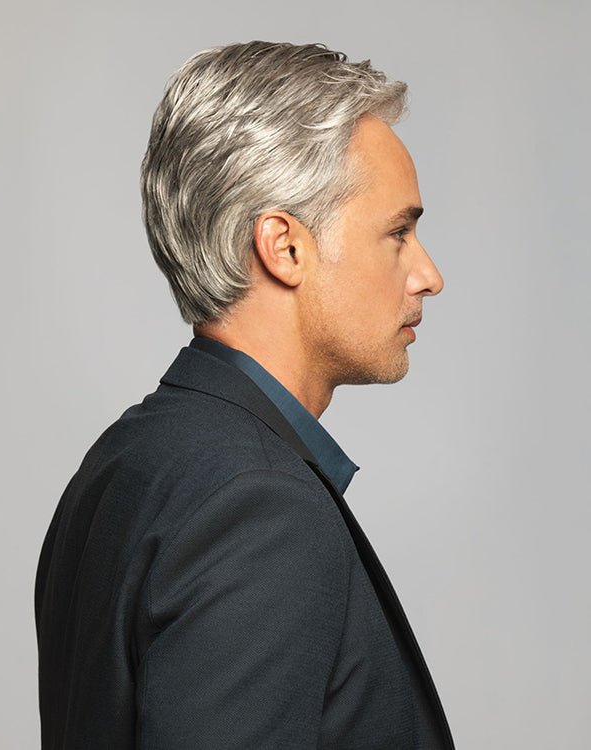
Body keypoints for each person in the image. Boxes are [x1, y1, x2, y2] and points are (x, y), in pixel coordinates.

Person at [35, 40, 454, 749]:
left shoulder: (120, 463)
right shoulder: (260, 508)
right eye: (398, 232)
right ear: (284, 247)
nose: (428, 274)